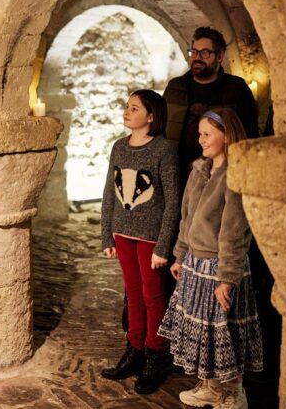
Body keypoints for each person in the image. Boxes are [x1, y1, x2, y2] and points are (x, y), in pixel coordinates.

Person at [159, 108, 263, 409]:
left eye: (207, 134)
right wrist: (180, 254)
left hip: (220, 266)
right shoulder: (199, 169)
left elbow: (234, 230)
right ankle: (210, 387)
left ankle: (232, 393)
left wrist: (227, 278)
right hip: (196, 262)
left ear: (227, 135)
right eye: (200, 134)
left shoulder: (235, 175)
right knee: (203, 331)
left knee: (224, 330)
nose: (200, 140)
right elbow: (186, 217)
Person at [99, 89, 180, 394]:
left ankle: (154, 355)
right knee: (132, 295)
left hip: (150, 237)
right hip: (123, 233)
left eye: (134, 108)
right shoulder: (119, 147)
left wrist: (163, 246)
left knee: (153, 296)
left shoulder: (163, 151)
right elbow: (109, 192)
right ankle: (134, 350)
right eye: (126, 106)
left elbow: (173, 202)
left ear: (151, 116)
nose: (126, 111)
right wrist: (107, 232)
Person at [164, 27, 259, 185]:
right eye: (194, 52)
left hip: (219, 176)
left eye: (205, 53)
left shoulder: (237, 89)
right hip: (176, 175)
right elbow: (160, 129)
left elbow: (250, 135)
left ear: (220, 56)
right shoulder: (175, 88)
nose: (197, 57)